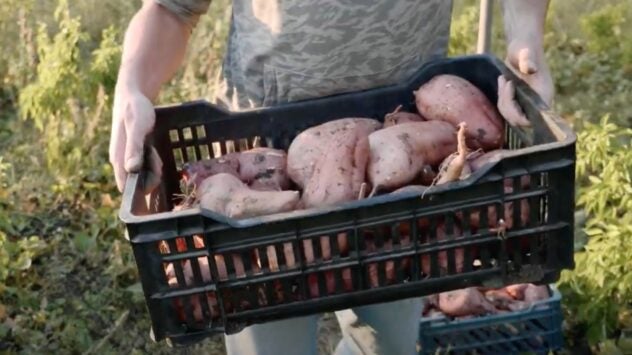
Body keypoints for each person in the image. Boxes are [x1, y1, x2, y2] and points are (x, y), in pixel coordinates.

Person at [109, 1, 553, 354]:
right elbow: (171, 9)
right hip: (266, 158)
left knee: (388, 343)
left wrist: (525, 34)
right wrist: (131, 87)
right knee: (270, 339)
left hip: (403, 157)